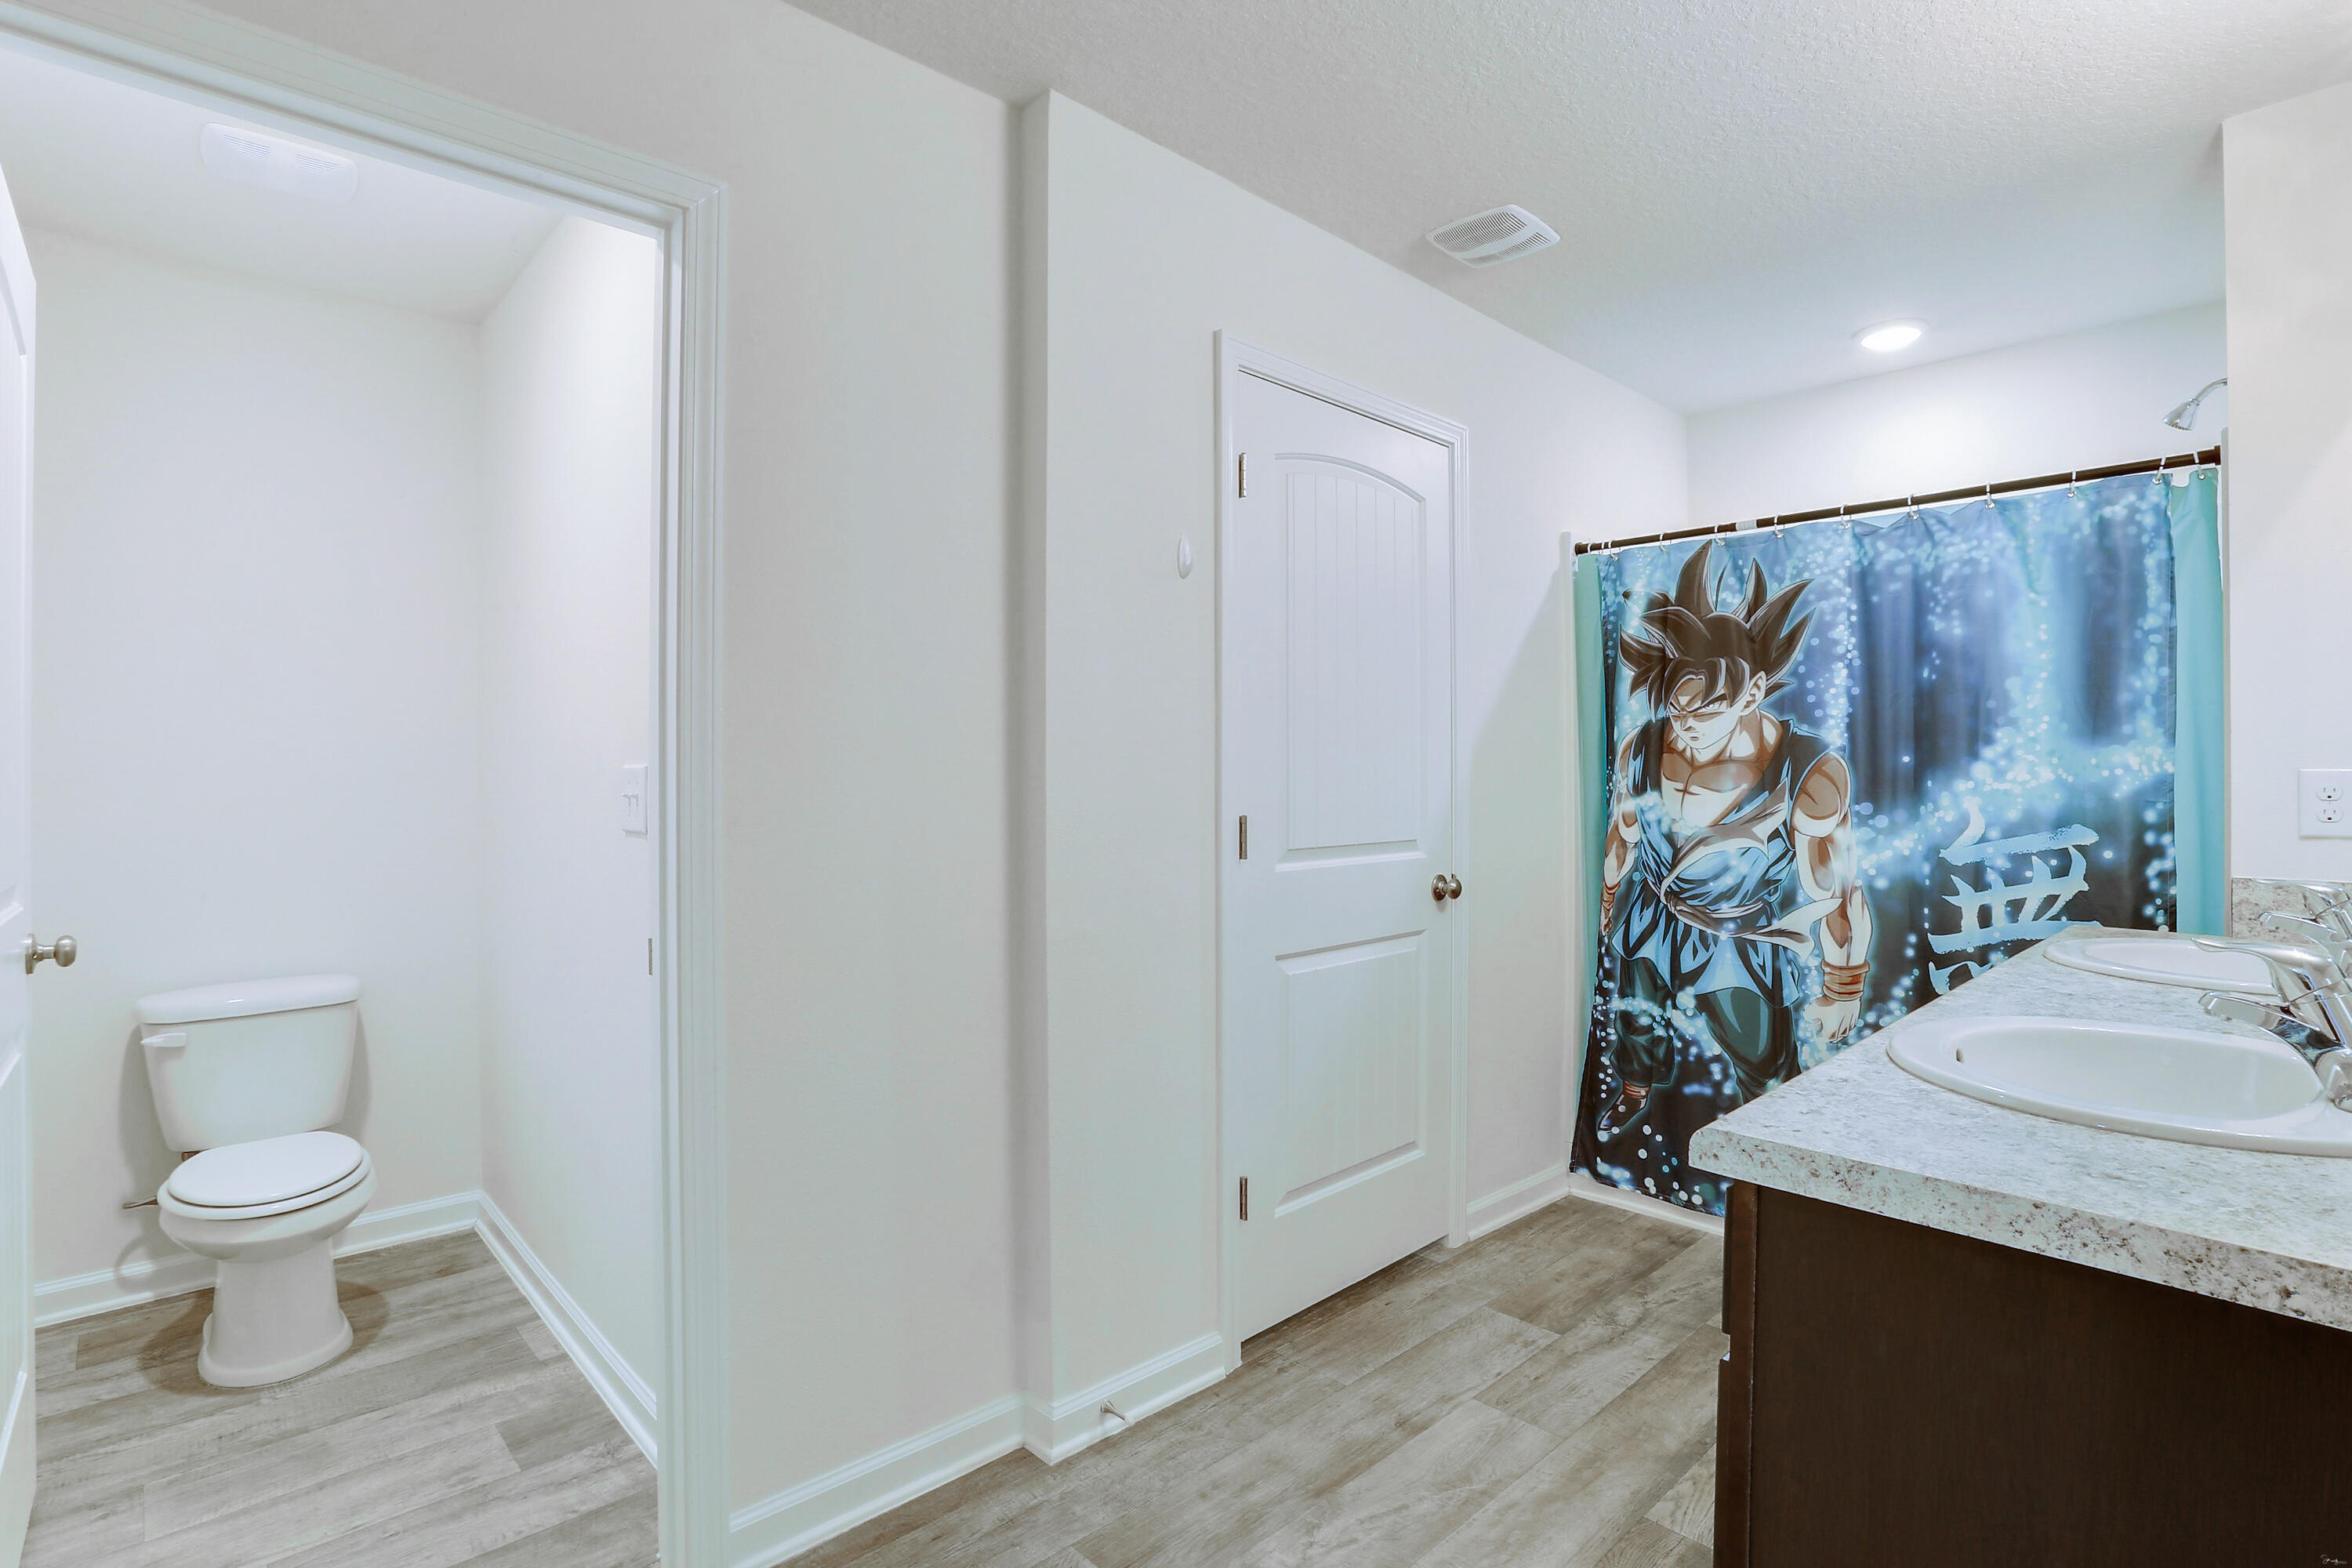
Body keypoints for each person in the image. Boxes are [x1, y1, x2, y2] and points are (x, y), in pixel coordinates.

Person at [1592, 541, 1871, 1138]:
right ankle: (1636, 1086)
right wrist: (1609, 902)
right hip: (1650, 912)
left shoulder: (1809, 770)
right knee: (1635, 1020)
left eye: (1708, 713)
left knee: (1762, 1060)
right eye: (1678, 711)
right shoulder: (1642, 743)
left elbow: (1837, 890)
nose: (1688, 730)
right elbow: (1623, 831)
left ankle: (1773, 1151)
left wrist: (1844, 984)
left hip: (1736, 932)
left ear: (1751, 694)